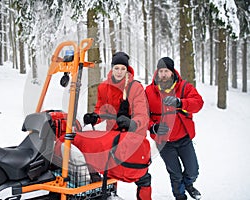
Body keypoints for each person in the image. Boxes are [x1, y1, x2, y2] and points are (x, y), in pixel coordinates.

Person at [83, 52, 152, 200]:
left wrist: (132, 123)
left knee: (141, 176)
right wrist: (94, 118)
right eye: (117, 68)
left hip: (132, 136)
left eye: (122, 68)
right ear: (112, 68)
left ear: (127, 69)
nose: (119, 72)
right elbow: (101, 109)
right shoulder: (103, 87)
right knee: (109, 170)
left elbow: (142, 114)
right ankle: (109, 195)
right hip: (113, 136)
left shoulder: (135, 87)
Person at [145, 57, 204, 200]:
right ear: (157, 72)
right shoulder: (148, 91)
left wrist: (181, 103)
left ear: (172, 72)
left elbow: (198, 103)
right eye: (161, 71)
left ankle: (188, 184)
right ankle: (180, 196)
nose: (163, 74)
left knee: (193, 171)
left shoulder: (184, 87)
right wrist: (152, 127)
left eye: (166, 71)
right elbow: (142, 114)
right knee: (175, 174)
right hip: (164, 142)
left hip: (183, 137)